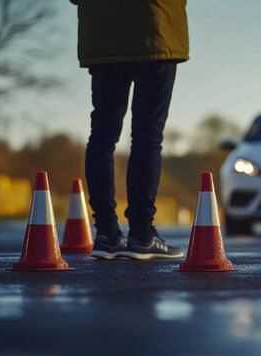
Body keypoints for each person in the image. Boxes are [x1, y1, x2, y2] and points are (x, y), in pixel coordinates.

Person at [72, 0, 188, 259]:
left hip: (103, 31)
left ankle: (106, 235)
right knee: (147, 136)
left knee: (102, 136)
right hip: (155, 25)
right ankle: (142, 234)